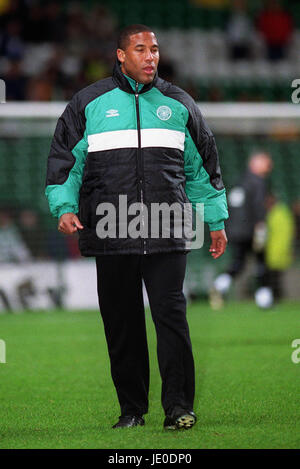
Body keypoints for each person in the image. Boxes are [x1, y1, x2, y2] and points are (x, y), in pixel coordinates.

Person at [45, 24, 228, 430]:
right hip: (111, 229)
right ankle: (132, 411)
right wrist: (64, 207)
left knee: (171, 318)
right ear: (121, 55)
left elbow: (203, 168)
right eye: (141, 49)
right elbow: (65, 162)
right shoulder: (88, 103)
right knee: (122, 324)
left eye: (155, 50)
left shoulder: (180, 103)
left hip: (168, 226)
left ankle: (179, 408)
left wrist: (215, 220)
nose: (150, 57)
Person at [210, 151, 272, 309]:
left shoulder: (240, 181)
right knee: (261, 263)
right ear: (254, 164)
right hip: (251, 229)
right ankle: (264, 300)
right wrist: (261, 226)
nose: (269, 165)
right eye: (265, 162)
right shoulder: (258, 182)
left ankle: (219, 284)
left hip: (235, 230)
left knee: (238, 263)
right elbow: (258, 206)